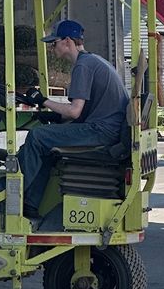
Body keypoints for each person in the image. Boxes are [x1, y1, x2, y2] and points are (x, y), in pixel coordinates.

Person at [17, 19, 129, 218]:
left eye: (54, 43)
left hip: (100, 131)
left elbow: (74, 112)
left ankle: (6, 193)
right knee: (45, 147)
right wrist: (54, 116)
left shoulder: (83, 66)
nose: (52, 48)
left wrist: (42, 100)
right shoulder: (94, 61)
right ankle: (30, 205)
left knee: (36, 136)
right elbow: (83, 111)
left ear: (67, 41)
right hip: (107, 128)